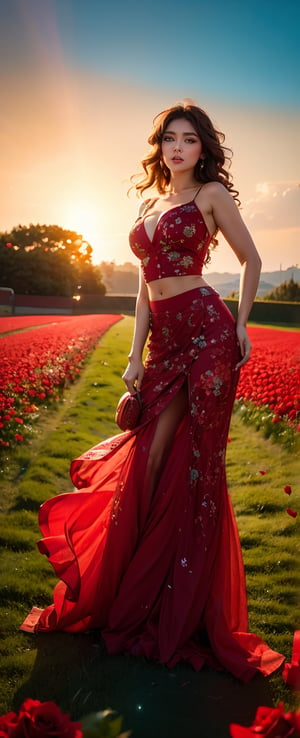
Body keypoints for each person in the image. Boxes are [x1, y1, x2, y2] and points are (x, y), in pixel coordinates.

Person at [21, 102, 284, 683]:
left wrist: (239, 323)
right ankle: (135, 586)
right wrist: (135, 357)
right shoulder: (148, 202)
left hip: (209, 336)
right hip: (165, 342)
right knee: (150, 458)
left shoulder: (212, 194)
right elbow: (145, 288)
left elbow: (252, 259)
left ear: (203, 148)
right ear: (159, 145)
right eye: (170, 138)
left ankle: (177, 599)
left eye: (189, 140)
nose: (178, 148)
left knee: (180, 461)